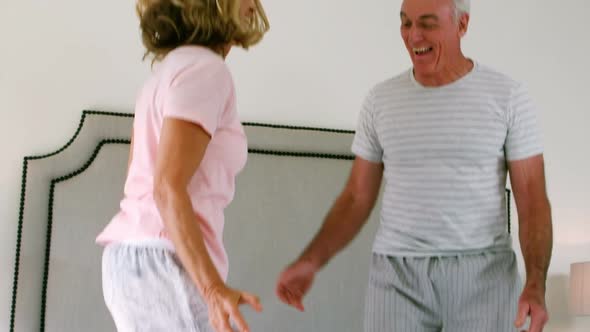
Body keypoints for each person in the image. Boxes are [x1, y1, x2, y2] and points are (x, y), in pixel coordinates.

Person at [276, 0, 552, 331]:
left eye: (427, 23)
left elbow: (533, 200)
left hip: (483, 274)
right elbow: (356, 198)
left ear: (462, 25)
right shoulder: (380, 101)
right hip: (397, 276)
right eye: (405, 23)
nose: (413, 35)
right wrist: (311, 260)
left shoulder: (508, 97)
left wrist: (536, 283)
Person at [96, 0, 269, 331]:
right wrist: (212, 287)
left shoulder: (169, 70)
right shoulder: (206, 70)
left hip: (136, 257)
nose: (254, 4)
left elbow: (140, 182)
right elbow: (165, 187)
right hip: (163, 260)